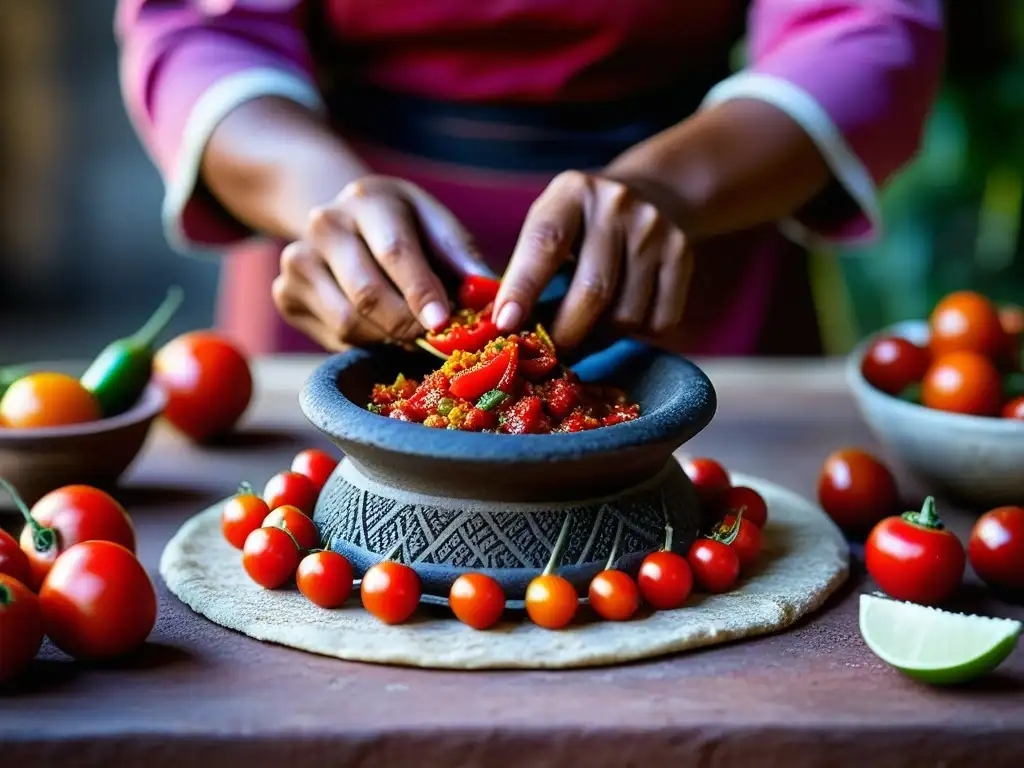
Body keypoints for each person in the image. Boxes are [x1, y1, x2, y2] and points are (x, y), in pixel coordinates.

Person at [117, 0, 943, 358]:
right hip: (342, 265)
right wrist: (321, 197)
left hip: (693, 251)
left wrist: (670, 189)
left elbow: (863, 27)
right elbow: (201, 33)